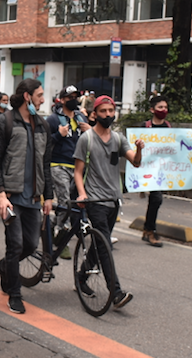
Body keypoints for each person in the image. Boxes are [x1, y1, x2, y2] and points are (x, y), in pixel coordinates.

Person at [0, 78, 53, 315]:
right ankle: (14, 294)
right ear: (27, 96)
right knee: (15, 245)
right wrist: (1, 194)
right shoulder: (5, 122)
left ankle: (5, 266)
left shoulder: (43, 126)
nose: (43, 99)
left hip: (34, 198)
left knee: (30, 244)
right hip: (12, 196)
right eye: (39, 95)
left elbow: (45, 163)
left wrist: (49, 196)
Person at [73, 95, 144, 309]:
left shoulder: (119, 139)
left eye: (111, 111)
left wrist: (140, 149)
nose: (107, 115)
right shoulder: (86, 139)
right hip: (95, 200)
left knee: (99, 245)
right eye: (103, 111)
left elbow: (136, 162)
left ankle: (81, 277)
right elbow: (78, 171)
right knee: (105, 247)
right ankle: (116, 292)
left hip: (113, 199)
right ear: (94, 114)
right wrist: (82, 194)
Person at [46, 85, 91, 256]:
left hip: (78, 166)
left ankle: (54, 226)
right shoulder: (53, 120)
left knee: (76, 202)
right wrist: (58, 135)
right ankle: (61, 237)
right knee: (65, 201)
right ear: (63, 100)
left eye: (76, 96)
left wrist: (90, 131)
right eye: (70, 97)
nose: (74, 100)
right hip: (58, 165)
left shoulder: (81, 117)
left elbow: (92, 141)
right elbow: (44, 143)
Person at [142, 95, 171, 247]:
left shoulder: (168, 128)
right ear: (152, 110)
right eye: (160, 107)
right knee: (156, 199)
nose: (163, 110)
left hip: (160, 171)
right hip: (144, 170)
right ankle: (149, 230)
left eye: (165, 107)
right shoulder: (145, 127)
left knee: (156, 199)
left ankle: (149, 230)